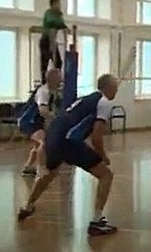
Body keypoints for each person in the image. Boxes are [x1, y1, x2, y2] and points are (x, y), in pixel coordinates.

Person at [17, 74, 119, 236]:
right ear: (108, 88)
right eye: (115, 87)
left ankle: (27, 207)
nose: (117, 90)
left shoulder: (86, 99)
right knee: (106, 175)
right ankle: (96, 221)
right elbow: (96, 136)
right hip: (68, 140)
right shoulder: (104, 102)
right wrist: (103, 156)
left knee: (49, 174)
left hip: (53, 136)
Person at [19, 69, 61, 177]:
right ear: (52, 79)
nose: (60, 80)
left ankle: (28, 167)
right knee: (44, 143)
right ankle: (40, 169)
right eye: (58, 78)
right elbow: (43, 111)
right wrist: (56, 119)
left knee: (38, 145)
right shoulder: (43, 92)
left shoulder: (52, 92)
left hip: (37, 122)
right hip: (29, 122)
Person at [40, 0, 67, 83]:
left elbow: (62, 24)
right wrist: (59, 21)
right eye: (58, 4)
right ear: (53, 4)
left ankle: (56, 79)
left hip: (52, 40)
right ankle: (45, 81)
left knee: (58, 62)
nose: (59, 6)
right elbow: (52, 22)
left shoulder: (58, 14)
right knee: (45, 62)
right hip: (46, 40)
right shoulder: (49, 13)